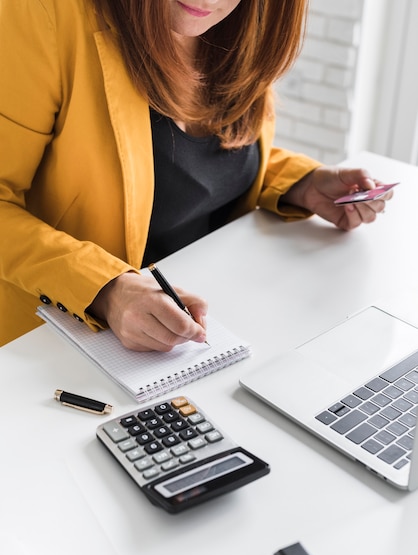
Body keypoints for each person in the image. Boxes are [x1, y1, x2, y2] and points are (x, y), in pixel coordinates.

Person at [0, 0, 392, 351]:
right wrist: (104, 288)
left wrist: (301, 182)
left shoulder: (236, 25)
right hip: (58, 346)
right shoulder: (42, 13)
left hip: (212, 330)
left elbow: (195, 159)